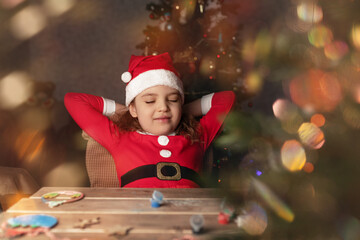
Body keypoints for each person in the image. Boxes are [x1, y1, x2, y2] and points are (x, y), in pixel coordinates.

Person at [64, 52, 235, 188]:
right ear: (134, 108)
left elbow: (226, 98)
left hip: (188, 220)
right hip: (138, 219)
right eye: (150, 101)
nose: (163, 107)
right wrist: (125, 110)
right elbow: (74, 100)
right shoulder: (119, 137)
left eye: (173, 100)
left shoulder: (198, 135)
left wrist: (182, 111)